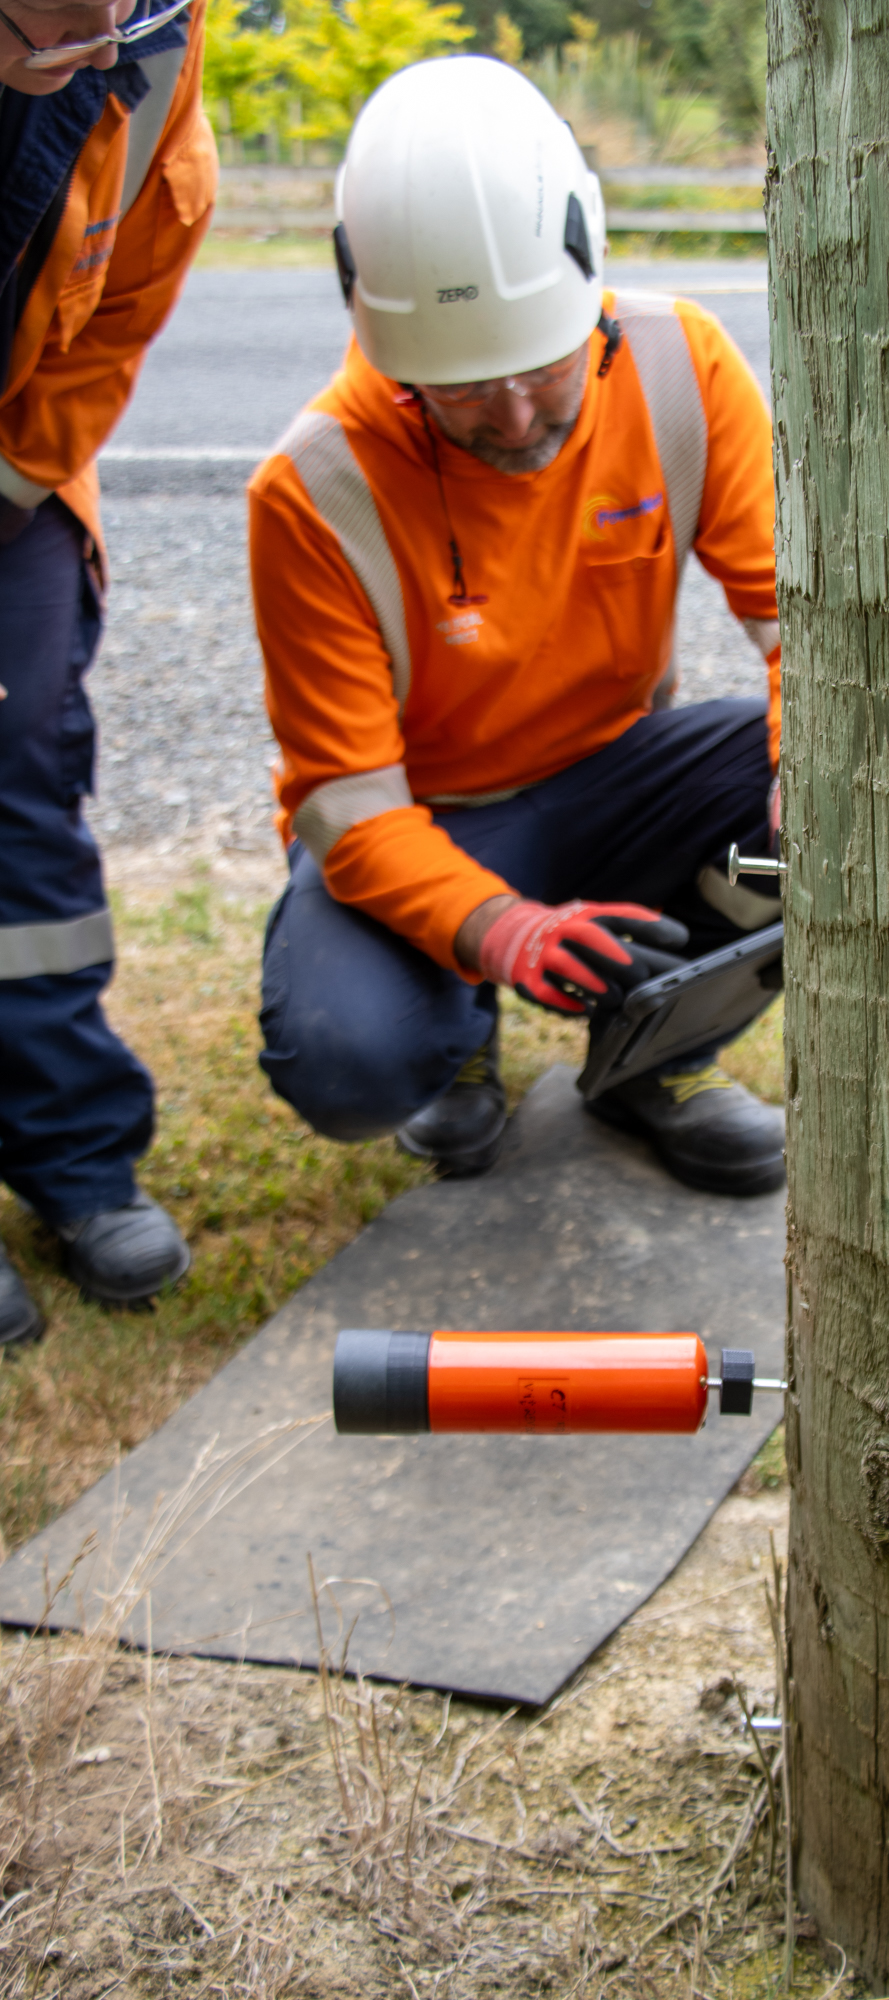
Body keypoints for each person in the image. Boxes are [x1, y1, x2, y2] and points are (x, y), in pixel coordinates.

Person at [250, 53, 786, 1199]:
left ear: (588, 275)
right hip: (428, 814)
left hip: (614, 773)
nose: (514, 416)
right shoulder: (314, 488)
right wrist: (499, 929)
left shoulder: (678, 368)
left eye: (542, 371)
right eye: (460, 390)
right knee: (348, 1057)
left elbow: (807, 630)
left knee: (827, 795)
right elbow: (343, 796)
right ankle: (456, 1027)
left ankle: (657, 1055)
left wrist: (804, 763)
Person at [0, 0, 216, 1349]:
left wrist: (14, 484)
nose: (89, 39)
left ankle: (72, 1150)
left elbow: (116, 313)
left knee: (24, 780)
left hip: (14, 470)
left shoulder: (162, 54)